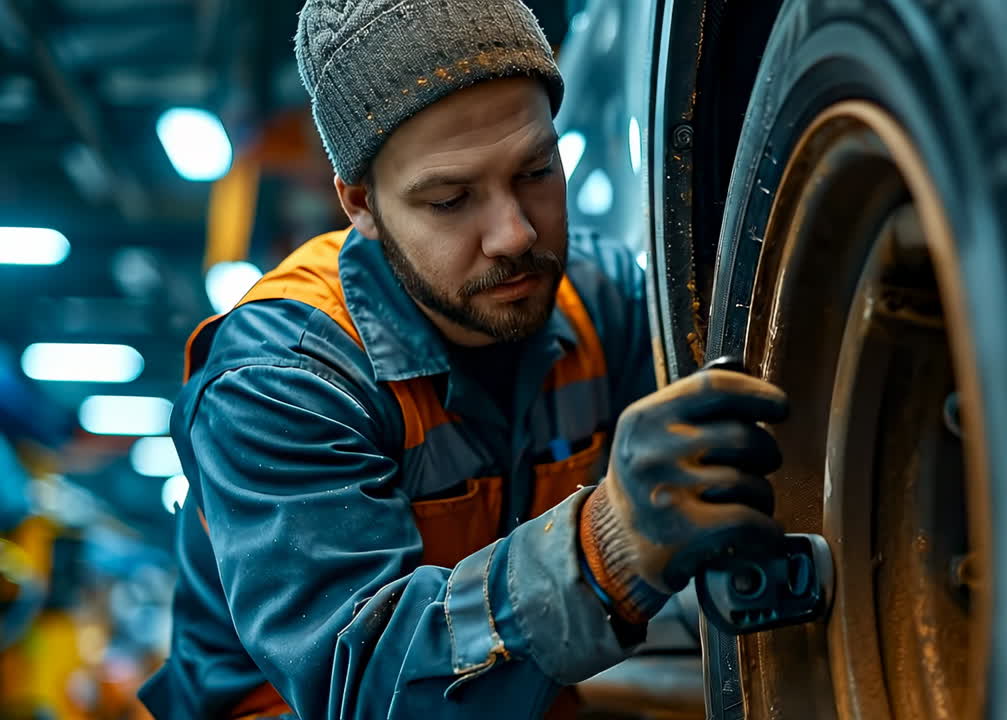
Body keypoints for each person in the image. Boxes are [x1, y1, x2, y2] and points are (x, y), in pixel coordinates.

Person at [139, 1, 787, 718]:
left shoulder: (602, 306)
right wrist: (604, 551)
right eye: (451, 200)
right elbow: (365, 686)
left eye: (537, 170)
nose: (514, 233)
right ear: (361, 204)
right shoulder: (281, 384)